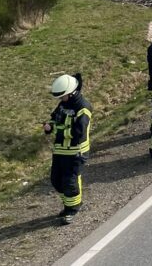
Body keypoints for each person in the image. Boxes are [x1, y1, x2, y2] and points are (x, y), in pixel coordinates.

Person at [44, 73, 92, 225]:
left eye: (62, 97)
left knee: (70, 181)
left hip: (76, 151)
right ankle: (69, 205)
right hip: (60, 150)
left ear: (71, 93)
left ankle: (73, 208)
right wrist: (49, 126)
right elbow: (55, 116)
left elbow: (78, 132)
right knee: (56, 180)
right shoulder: (64, 104)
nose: (60, 100)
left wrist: (59, 129)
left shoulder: (83, 108)